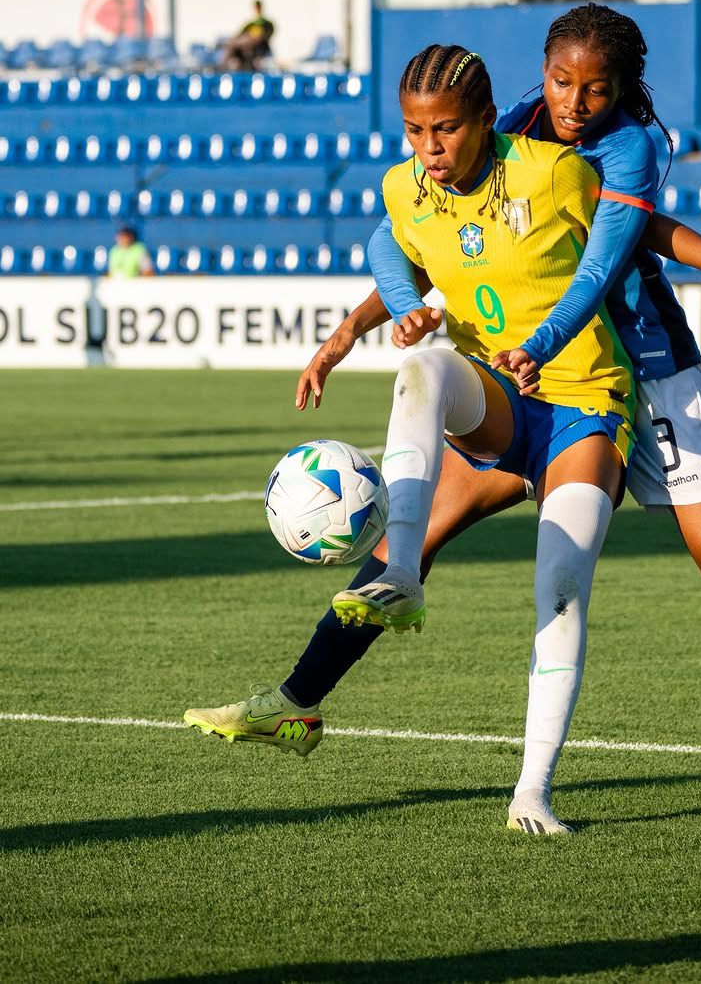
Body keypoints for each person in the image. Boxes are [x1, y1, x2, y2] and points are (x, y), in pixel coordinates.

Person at [186, 5, 701, 826]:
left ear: (623, 88)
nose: (574, 102)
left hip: (642, 368)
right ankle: (296, 701)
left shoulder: (628, 148)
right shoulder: (508, 125)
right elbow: (426, 241)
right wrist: (351, 328)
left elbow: (624, 248)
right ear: (540, 73)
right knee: (411, 536)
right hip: (530, 376)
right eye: (559, 80)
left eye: (595, 88)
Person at [188, 43, 635, 836]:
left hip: (582, 403)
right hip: (497, 402)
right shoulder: (408, 185)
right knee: (425, 368)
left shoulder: (553, 172)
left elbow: (621, 250)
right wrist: (388, 314)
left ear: (485, 119)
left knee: (561, 585)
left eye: (446, 129)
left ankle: (532, 791)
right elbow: (385, 244)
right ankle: (311, 685)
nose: (430, 147)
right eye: (414, 130)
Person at [220, 0, 274, 71]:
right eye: (256, 8)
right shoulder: (250, 24)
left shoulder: (268, 24)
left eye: (258, 8)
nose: (257, 10)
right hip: (245, 50)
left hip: (259, 50)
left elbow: (266, 36)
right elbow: (239, 35)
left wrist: (255, 39)